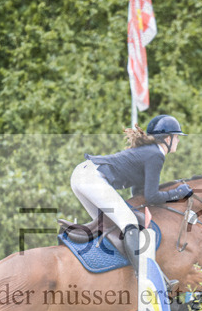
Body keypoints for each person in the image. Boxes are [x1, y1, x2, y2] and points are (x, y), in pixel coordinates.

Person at [70, 114, 192, 271]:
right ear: (168, 139)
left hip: (81, 175)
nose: (179, 140)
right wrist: (178, 193)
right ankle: (142, 275)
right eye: (177, 137)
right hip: (91, 177)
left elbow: (140, 193)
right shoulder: (156, 155)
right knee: (129, 223)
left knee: (109, 225)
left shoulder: (149, 152)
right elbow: (152, 196)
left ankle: (107, 271)